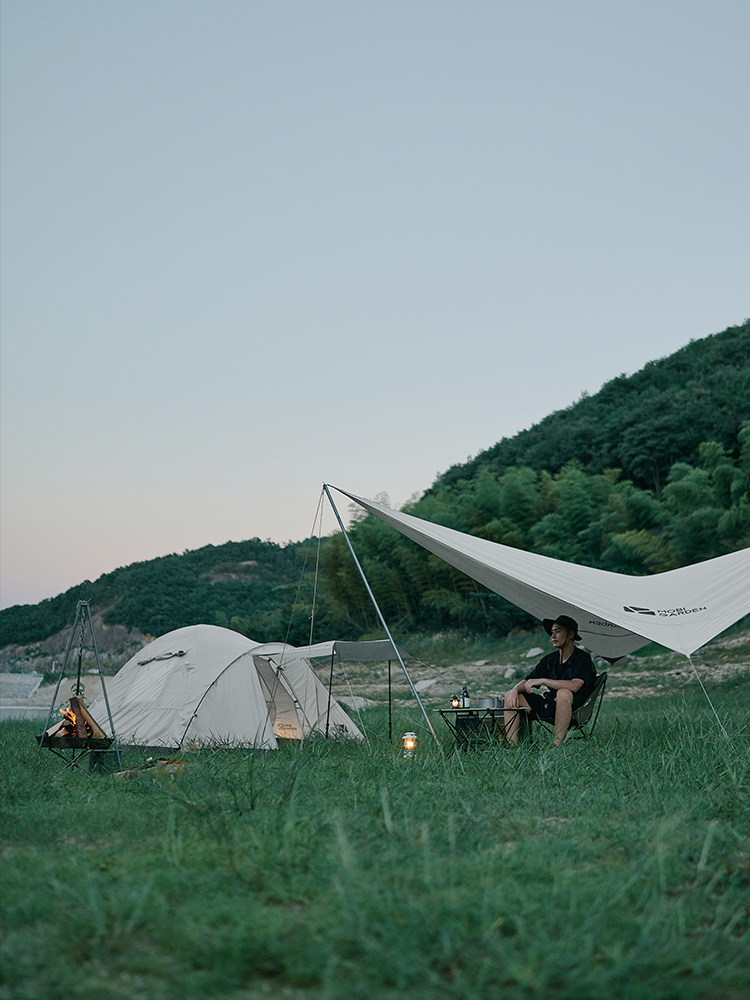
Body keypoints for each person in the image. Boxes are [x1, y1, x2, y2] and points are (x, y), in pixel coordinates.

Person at [504, 615, 597, 746]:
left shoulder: (582, 658)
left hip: (574, 708)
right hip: (550, 706)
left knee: (563, 693)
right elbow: (528, 681)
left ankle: (556, 746)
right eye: (552, 632)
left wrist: (543, 681)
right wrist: (514, 690)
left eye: (558, 631)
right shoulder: (549, 660)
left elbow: (575, 685)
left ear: (570, 634)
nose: (553, 636)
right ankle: (513, 747)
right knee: (510, 695)